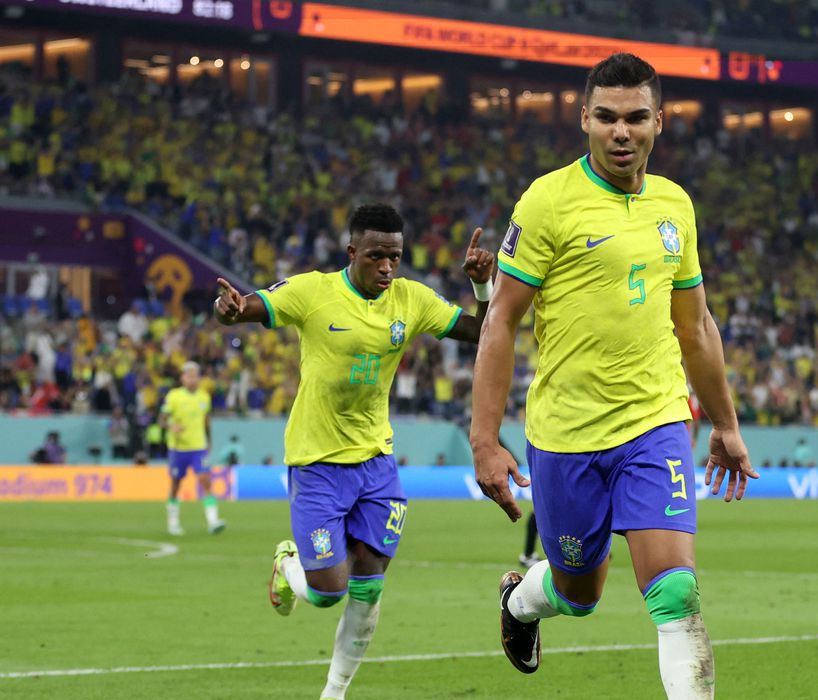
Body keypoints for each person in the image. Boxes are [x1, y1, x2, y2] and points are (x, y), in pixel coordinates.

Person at [470, 53, 757, 699]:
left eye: (635, 118)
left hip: (655, 421)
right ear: (584, 120)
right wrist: (484, 439)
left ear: (660, 121)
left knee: (675, 593)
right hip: (566, 433)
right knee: (578, 592)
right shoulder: (547, 201)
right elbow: (501, 321)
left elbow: (695, 326)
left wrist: (726, 424)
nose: (620, 132)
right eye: (606, 117)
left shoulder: (675, 205)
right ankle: (520, 602)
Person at [213, 204, 494, 700]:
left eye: (395, 257)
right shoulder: (313, 292)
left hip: (376, 462)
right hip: (317, 462)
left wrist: (482, 286)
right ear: (351, 252)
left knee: (369, 585)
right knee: (328, 591)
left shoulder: (411, 299)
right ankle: (288, 565)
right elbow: (248, 306)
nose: (387, 267)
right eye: (376, 256)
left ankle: (334, 692)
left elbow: (482, 332)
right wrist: (231, 308)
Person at [160, 361, 224, 536]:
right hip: (178, 448)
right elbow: (162, 419)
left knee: (205, 480)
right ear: (182, 378)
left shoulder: (204, 397)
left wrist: (209, 440)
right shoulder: (174, 396)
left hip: (198, 447)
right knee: (176, 484)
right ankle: (173, 522)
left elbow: (206, 421)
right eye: (189, 376)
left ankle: (213, 521)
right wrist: (171, 426)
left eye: (195, 376)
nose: (192, 379)